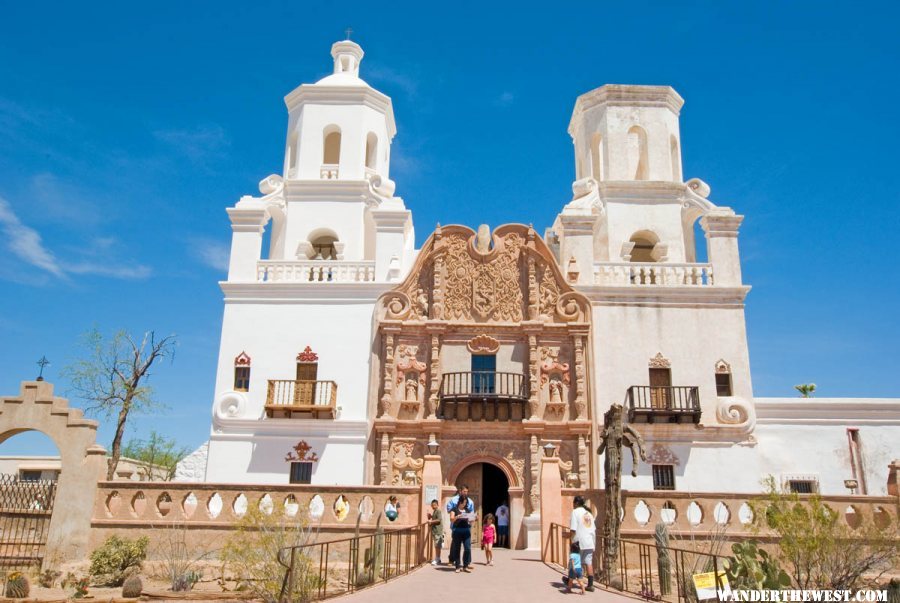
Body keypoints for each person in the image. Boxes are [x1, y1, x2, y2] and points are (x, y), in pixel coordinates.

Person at [567, 495, 596, 592]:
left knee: (574, 562)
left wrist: (570, 538)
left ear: (575, 503)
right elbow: (593, 530)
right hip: (590, 542)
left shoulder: (575, 512)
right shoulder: (589, 514)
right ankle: (590, 584)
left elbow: (573, 529)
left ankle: (570, 580)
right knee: (588, 562)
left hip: (579, 542)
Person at [448, 489, 475, 573]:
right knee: (457, 548)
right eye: (464, 502)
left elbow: (471, 520)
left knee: (467, 548)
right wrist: (457, 517)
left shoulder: (467, 510)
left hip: (466, 531)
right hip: (457, 530)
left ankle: (465, 565)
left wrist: (474, 518)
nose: (465, 504)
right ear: (460, 502)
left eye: (466, 502)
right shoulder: (454, 509)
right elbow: (451, 519)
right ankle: (457, 566)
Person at [427, 499, 444, 565]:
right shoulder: (435, 511)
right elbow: (435, 519)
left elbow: (439, 520)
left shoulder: (438, 511)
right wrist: (431, 516)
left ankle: (437, 558)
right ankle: (438, 559)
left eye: (435, 505)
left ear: (437, 505)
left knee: (437, 546)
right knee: (437, 545)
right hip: (435, 531)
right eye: (432, 505)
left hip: (438, 531)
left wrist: (431, 521)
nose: (433, 506)